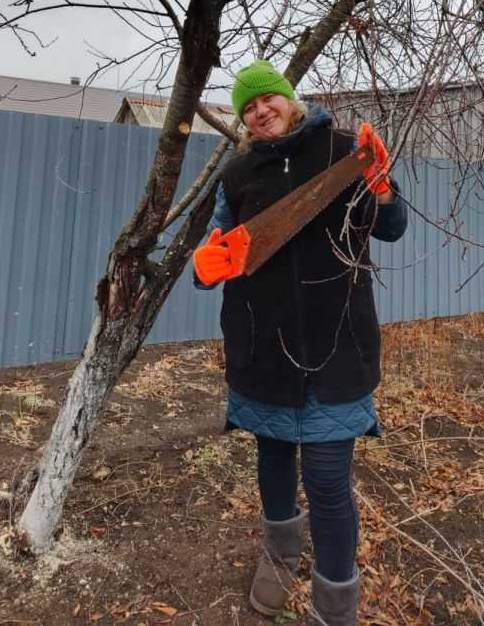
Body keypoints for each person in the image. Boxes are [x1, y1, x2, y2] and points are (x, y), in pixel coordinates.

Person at [193, 60, 408, 626]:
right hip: (261, 344)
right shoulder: (238, 175)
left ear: (289, 99)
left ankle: (336, 600)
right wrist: (205, 264)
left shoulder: (343, 151)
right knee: (272, 457)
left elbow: (389, 228)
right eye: (248, 107)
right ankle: (280, 553)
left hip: (337, 342)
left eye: (268, 100)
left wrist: (382, 189)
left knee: (329, 478)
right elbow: (218, 247)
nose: (260, 111)